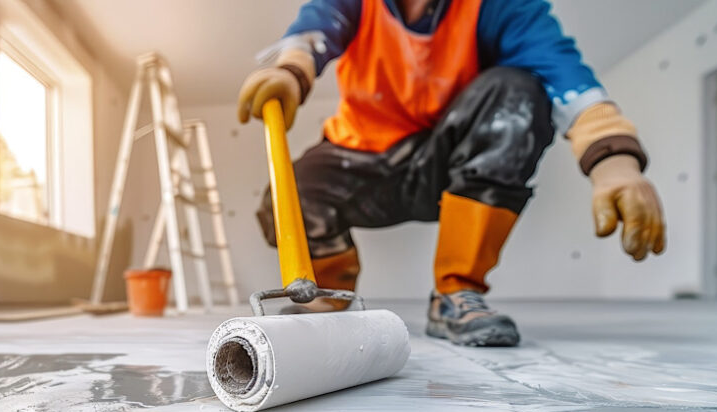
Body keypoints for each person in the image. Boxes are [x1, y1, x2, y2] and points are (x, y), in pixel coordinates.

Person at [237, 0, 666, 347]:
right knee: (288, 197)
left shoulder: (498, 6)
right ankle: (325, 299)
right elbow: (317, 28)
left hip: (443, 162)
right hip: (357, 161)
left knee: (517, 93)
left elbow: (561, 71)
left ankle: (456, 293)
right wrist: (291, 69)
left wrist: (614, 162)